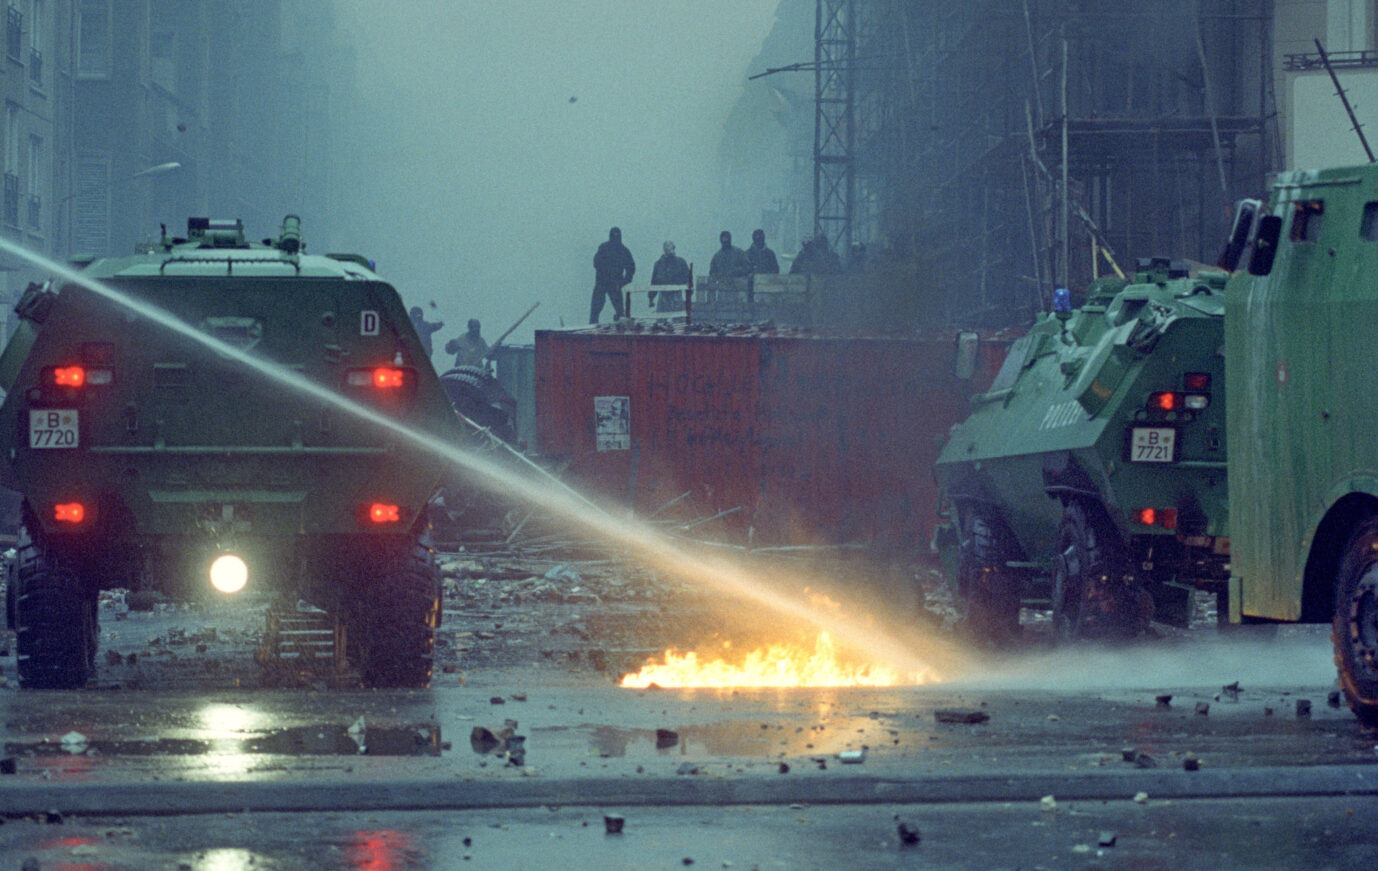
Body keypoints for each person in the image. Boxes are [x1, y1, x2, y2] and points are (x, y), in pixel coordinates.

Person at [590, 226, 635, 323]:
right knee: (596, 308)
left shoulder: (622, 250)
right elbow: (596, 263)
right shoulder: (607, 248)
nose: (615, 237)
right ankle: (593, 324)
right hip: (604, 282)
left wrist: (623, 282)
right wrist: (623, 281)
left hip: (612, 283)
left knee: (618, 309)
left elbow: (631, 268)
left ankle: (620, 324)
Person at [649, 240, 691, 312]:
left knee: (677, 317)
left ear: (674, 248)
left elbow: (688, 279)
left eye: (670, 248)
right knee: (662, 317)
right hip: (663, 297)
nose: (669, 250)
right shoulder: (658, 264)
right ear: (664, 249)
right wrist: (651, 298)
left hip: (676, 295)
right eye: (666, 248)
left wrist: (688, 293)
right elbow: (654, 282)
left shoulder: (681, 262)